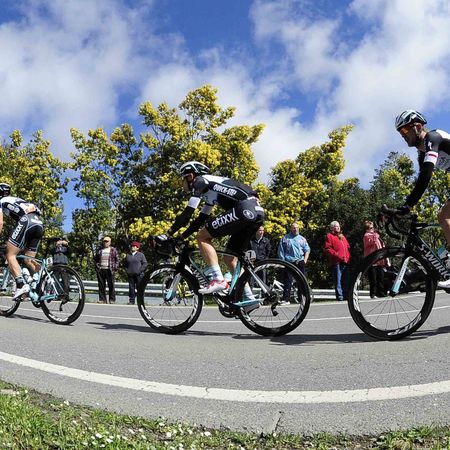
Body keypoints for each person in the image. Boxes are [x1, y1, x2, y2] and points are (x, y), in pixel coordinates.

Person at [156, 161, 265, 298]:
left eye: (183, 178)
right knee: (230, 259)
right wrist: (182, 236)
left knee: (202, 236)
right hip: (257, 212)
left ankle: (218, 280)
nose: (182, 183)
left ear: (191, 176)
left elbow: (188, 213)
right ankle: (249, 297)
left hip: (245, 208)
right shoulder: (211, 191)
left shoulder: (201, 181)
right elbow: (200, 219)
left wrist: (168, 234)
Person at [394, 109, 450, 288]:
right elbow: (420, 183)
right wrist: (404, 206)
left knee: (444, 216)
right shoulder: (422, 153)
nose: (403, 134)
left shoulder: (433, 138)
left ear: (418, 126)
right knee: (443, 217)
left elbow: (426, 176)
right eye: (400, 131)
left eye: (405, 129)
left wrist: (408, 206)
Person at [0, 183, 43, 299]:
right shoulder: (17, 200)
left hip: (26, 221)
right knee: (28, 260)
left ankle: (21, 285)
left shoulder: (1, 201)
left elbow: (0, 223)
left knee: (10, 255)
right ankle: (44, 280)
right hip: (39, 223)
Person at [278, 222, 310, 303]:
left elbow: (307, 250)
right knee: (288, 280)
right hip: (289, 262)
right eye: (294, 228)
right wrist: (283, 262)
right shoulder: (285, 238)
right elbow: (281, 251)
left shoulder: (302, 239)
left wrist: (305, 260)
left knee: (302, 280)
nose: (295, 229)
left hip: (300, 261)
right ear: (291, 229)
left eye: (297, 228)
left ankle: (302, 298)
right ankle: (286, 299)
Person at [323, 221, 351, 301]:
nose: (338, 227)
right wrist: (336, 255)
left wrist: (348, 256)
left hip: (345, 260)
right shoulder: (329, 236)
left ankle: (345, 295)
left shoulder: (342, 236)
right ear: (332, 228)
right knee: (338, 280)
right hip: (337, 261)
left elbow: (348, 247)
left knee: (346, 279)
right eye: (336, 226)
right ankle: (340, 296)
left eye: (339, 226)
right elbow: (328, 249)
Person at [362, 220, 386, 298]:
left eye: (373, 227)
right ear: (367, 229)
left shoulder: (376, 235)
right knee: (373, 279)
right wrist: (376, 235)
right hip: (371, 260)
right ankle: (373, 294)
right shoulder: (366, 236)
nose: (373, 229)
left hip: (379, 259)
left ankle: (381, 293)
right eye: (371, 228)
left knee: (381, 277)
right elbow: (372, 242)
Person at [94, 236, 119, 304]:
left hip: (110, 270)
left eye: (107, 241)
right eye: (105, 241)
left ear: (110, 242)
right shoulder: (100, 250)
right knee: (101, 285)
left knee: (111, 285)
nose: (106, 243)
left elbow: (117, 260)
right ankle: (102, 299)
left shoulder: (113, 250)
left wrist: (115, 268)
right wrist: (97, 267)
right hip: (101, 269)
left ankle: (112, 300)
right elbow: (96, 259)